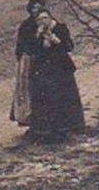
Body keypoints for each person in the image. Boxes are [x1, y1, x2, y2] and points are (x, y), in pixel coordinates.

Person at [27, 7, 86, 142]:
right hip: (44, 71)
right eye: (40, 19)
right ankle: (48, 129)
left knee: (64, 97)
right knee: (46, 100)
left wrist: (56, 41)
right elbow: (31, 50)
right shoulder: (36, 33)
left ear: (50, 17)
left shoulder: (60, 28)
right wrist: (38, 38)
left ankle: (69, 126)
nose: (43, 21)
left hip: (61, 69)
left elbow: (69, 46)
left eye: (45, 18)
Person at [11, 0, 45, 129]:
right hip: (29, 60)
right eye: (34, 8)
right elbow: (22, 45)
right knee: (27, 90)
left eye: (39, 7)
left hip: (44, 59)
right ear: (30, 9)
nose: (36, 10)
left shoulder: (46, 21)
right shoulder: (26, 25)